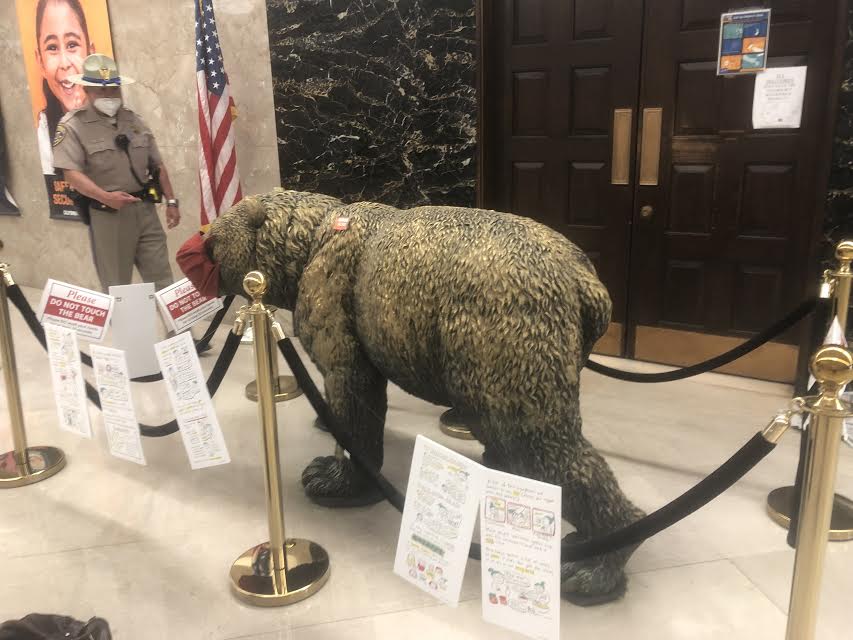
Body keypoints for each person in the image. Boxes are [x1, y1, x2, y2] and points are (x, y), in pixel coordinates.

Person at [52, 54, 181, 293]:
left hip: (145, 211)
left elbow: (157, 164)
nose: (109, 96)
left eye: (113, 89)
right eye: (101, 91)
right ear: (87, 89)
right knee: (118, 287)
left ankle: (179, 332)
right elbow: (70, 173)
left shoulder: (134, 121)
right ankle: (130, 332)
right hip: (108, 214)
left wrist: (172, 201)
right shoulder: (73, 126)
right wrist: (105, 196)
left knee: (163, 281)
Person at [34, 0, 96, 175]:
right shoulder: (45, 131)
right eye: (52, 47)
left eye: (72, 45)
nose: (64, 63)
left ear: (90, 52)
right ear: (41, 62)